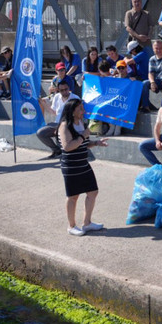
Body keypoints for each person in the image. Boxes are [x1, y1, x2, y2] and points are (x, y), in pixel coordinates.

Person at [57, 98, 108, 236]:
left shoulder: (81, 123)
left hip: (83, 164)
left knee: (92, 192)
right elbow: (68, 147)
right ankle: (71, 226)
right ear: (72, 111)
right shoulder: (65, 126)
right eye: (80, 108)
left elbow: (82, 143)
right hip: (71, 167)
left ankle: (87, 223)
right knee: (73, 196)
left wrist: (96, 143)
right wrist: (83, 135)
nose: (83, 111)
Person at [37, 80, 80, 158]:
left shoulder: (75, 98)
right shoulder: (57, 96)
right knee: (40, 133)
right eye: (62, 90)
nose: (64, 91)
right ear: (58, 90)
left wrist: (63, 127)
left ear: (69, 88)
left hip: (69, 124)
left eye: (66, 89)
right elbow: (54, 112)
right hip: (57, 124)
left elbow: (79, 116)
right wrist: (43, 103)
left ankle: (63, 151)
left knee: (61, 132)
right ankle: (57, 150)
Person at [123, 40, 151, 112]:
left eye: (131, 52)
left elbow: (128, 62)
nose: (132, 54)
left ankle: (142, 105)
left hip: (143, 77)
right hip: (139, 75)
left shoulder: (142, 54)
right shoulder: (141, 53)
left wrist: (125, 58)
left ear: (134, 49)